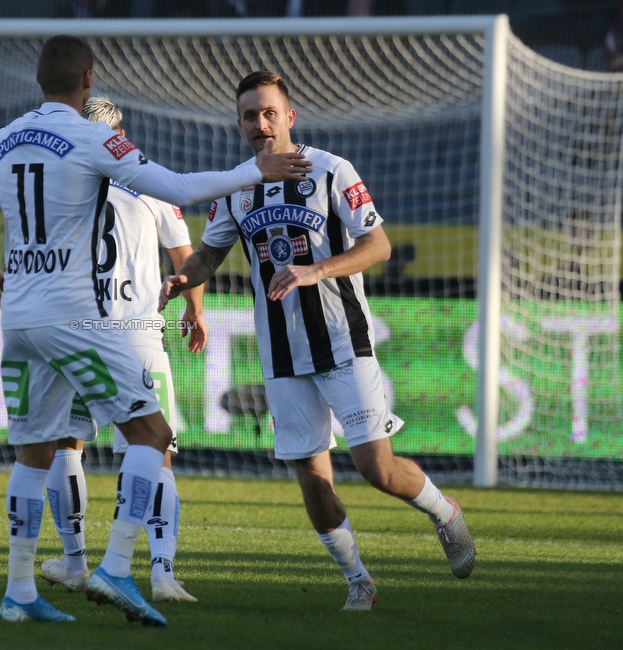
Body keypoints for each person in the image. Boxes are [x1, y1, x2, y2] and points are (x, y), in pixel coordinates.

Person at [0, 36, 309, 626]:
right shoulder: (93, 137)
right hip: (77, 318)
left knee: (35, 450)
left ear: (39, 80)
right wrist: (254, 168)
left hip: (19, 320)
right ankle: (116, 568)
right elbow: (181, 190)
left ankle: (18, 592)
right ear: (87, 78)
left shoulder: (1, 141)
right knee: (153, 435)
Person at [159, 71, 476, 612]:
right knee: (310, 473)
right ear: (239, 123)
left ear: (289, 117)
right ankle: (359, 580)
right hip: (282, 355)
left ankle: (445, 513)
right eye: (249, 116)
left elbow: (379, 246)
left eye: (268, 113)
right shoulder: (235, 185)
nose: (259, 125)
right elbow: (211, 253)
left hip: (341, 341)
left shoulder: (332, 170)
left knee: (377, 469)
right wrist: (183, 278)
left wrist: (315, 270)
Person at [39, 96, 205, 604]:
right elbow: (186, 256)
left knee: (65, 444)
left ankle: (73, 564)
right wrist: (196, 311)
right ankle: (161, 573)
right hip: (135, 332)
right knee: (155, 451)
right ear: (120, 132)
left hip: (73, 330)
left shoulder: (55, 182)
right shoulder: (150, 178)